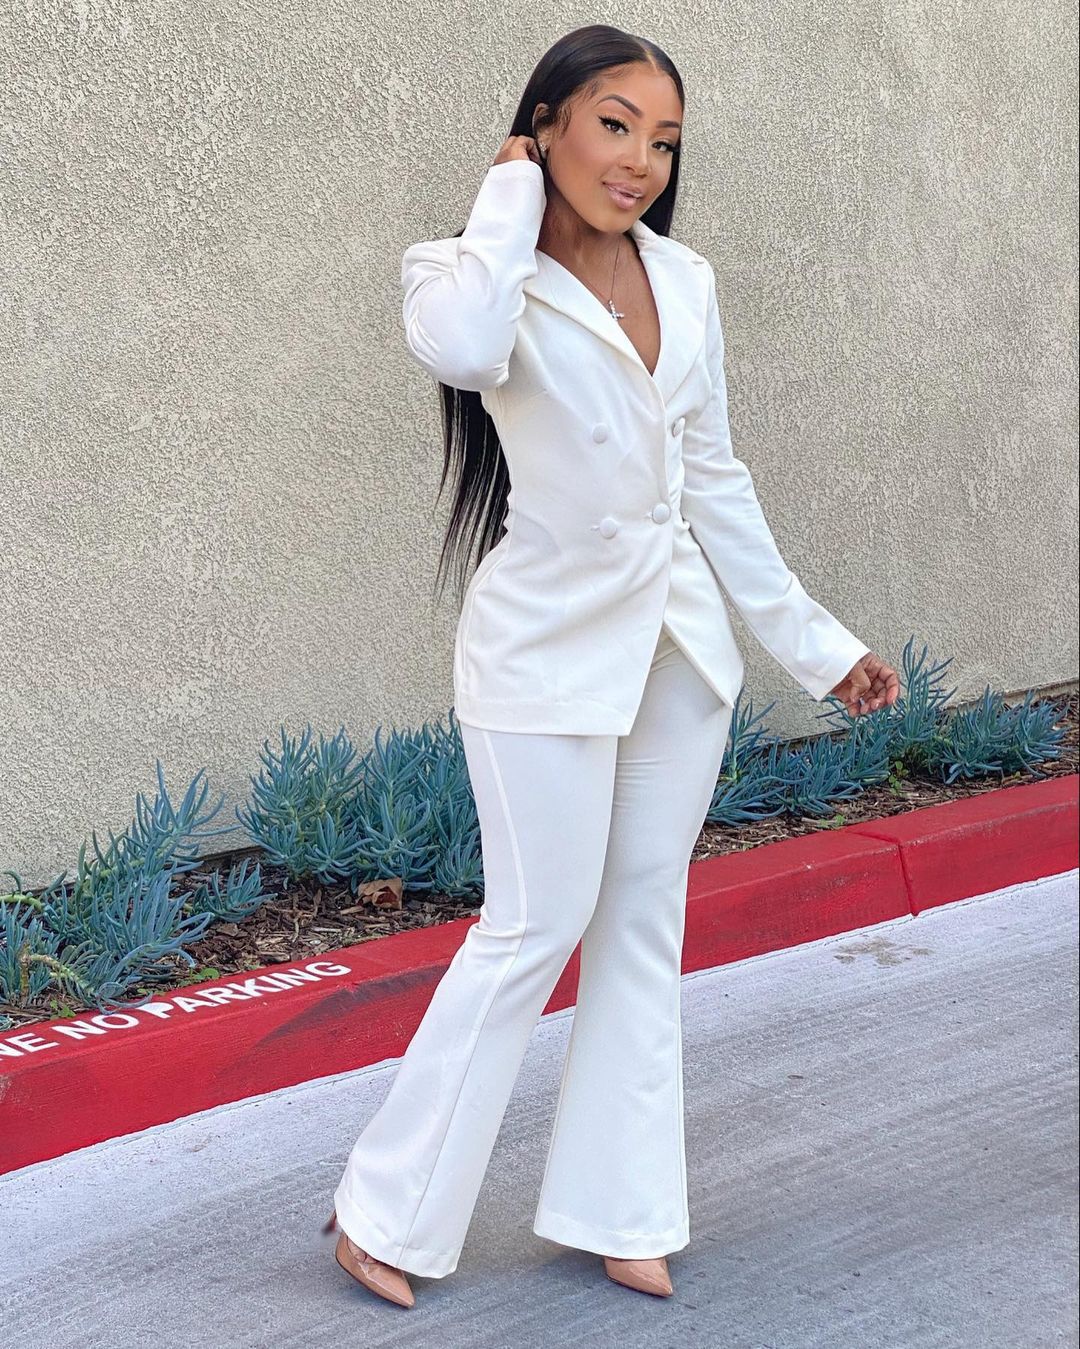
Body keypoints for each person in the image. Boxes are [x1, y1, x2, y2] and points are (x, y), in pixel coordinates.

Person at [325, 24, 900, 1309]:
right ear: (547, 125)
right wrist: (506, 191)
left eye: (665, 141)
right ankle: (384, 1207)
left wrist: (818, 644)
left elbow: (716, 480)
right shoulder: (467, 272)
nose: (639, 160)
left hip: (677, 655)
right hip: (540, 655)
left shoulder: (685, 281)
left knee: (643, 922)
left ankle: (620, 1206)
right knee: (533, 925)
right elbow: (466, 352)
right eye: (613, 124)